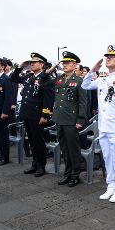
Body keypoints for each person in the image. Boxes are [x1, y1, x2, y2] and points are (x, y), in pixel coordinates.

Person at [82, 45, 115, 202]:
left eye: (111, 57)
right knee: (107, 157)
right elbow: (85, 85)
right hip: (103, 126)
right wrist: (92, 70)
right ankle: (110, 186)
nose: (107, 59)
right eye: (107, 57)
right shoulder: (103, 79)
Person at [46, 51, 87, 187]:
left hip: (71, 120)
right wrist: (52, 68)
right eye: (63, 63)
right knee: (64, 148)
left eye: (68, 63)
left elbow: (82, 103)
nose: (64, 65)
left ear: (75, 65)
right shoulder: (59, 79)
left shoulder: (79, 81)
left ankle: (75, 175)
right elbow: (43, 81)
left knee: (73, 149)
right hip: (59, 119)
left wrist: (80, 120)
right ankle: (67, 173)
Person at [11, 53, 54, 177]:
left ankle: (41, 166)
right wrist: (20, 67)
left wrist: (44, 116)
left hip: (37, 115)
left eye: (34, 62)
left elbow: (48, 100)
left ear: (41, 64)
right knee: (31, 140)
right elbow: (13, 79)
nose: (32, 64)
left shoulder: (46, 79)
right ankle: (34, 164)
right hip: (27, 113)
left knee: (38, 142)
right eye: (31, 63)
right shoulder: (29, 76)